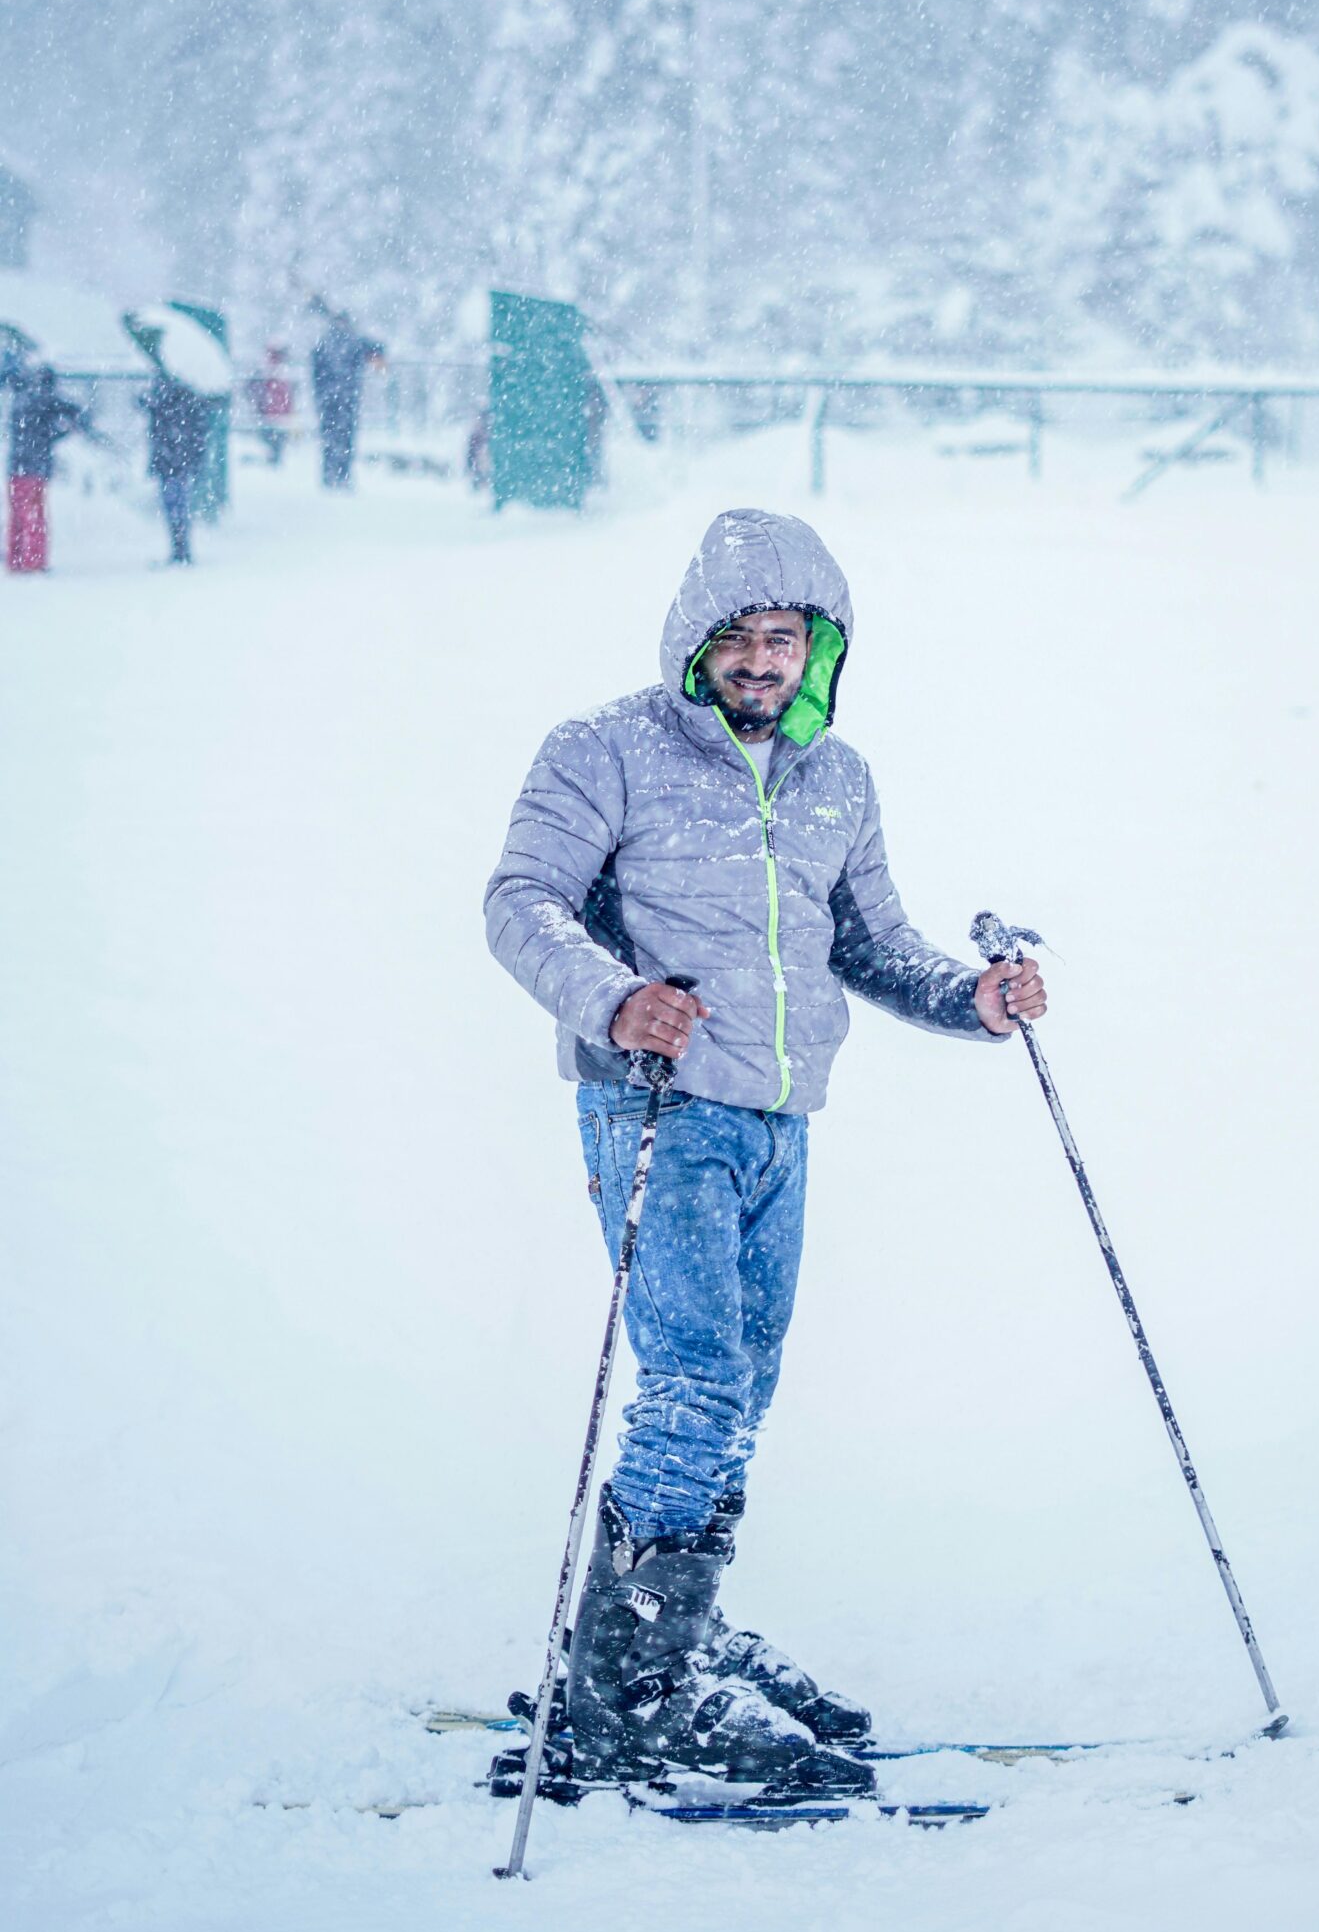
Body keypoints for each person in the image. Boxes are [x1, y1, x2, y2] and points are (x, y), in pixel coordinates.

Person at [485, 507, 1047, 1796]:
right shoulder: (604, 751)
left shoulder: (836, 777)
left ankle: (666, 1623)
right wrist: (614, 999)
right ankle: (636, 1691)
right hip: (659, 1108)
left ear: (818, 650)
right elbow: (520, 902)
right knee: (692, 1385)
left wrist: (971, 998)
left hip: (782, 1121)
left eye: (782, 639)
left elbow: (871, 942)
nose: (757, 660)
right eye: (735, 636)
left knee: (740, 1387)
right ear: (697, 639)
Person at [4, 356, 90, 575]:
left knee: (17, 516)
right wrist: (67, 429)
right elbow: (65, 414)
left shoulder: (21, 399)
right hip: (35, 467)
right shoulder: (42, 400)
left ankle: (16, 560)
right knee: (34, 516)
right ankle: (34, 562)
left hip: (16, 466)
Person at [140, 370, 214, 566]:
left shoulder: (164, 402)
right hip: (179, 462)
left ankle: (179, 549)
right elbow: (199, 432)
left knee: (174, 505)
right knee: (179, 506)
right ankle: (181, 548)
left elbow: (151, 413)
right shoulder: (188, 400)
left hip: (170, 462)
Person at [309, 306, 384, 489]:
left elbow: (315, 371)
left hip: (328, 399)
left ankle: (329, 475)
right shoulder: (354, 340)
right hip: (348, 397)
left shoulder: (324, 342)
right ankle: (343, 475)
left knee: (329, 438)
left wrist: (320, 395)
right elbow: (377, 348)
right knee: (346, 437)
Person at [250, 344, 294, 466]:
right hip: (272, 411)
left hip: (274, 411)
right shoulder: (272, 370)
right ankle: (273, 459)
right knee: (274, 438)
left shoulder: (275, 370)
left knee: (275, 438)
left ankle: (274, 459)